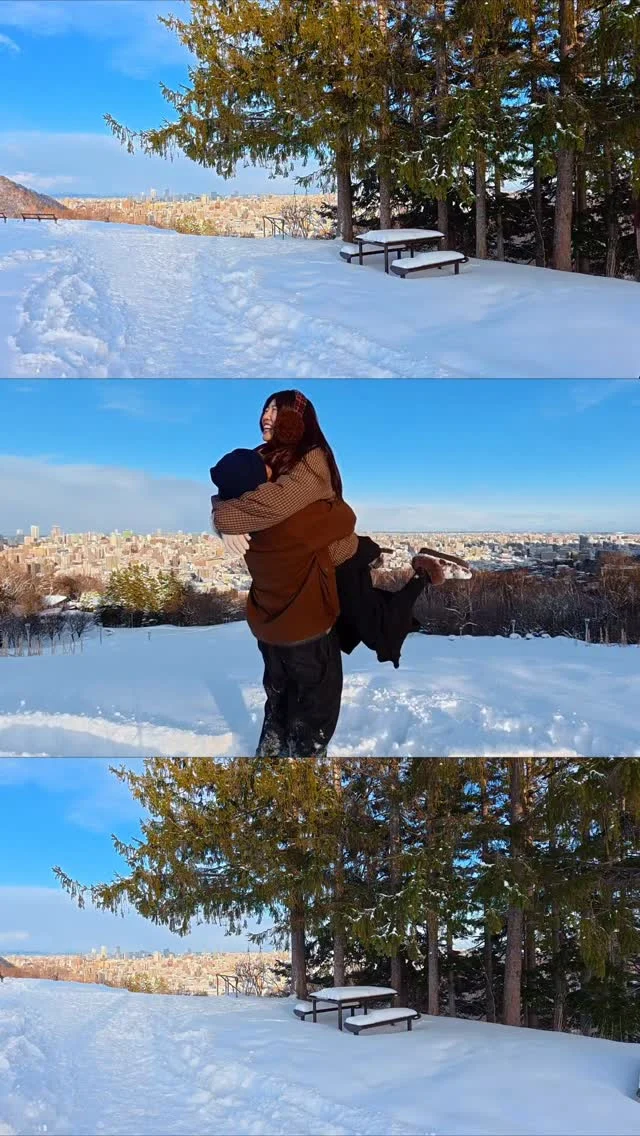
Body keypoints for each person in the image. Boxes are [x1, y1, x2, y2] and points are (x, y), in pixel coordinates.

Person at [211, 389, 471, 672]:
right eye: (265, 409)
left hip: (336, 559)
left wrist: (224, 519)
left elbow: (273, 505)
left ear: (296, 419)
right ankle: (377, 556)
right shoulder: (262, 455)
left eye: (276, 410)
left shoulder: (312, 458)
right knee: (357, 620)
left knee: (375, 628)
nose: (266, 416)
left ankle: (424, 571)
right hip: (309, 565)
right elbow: (229, 484)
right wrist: (220, 512)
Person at [211, 446, 356, 757]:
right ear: (261, 481)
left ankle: (270, 759)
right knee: (318, 709)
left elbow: (226, 501)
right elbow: (345, 517)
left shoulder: (241, 527)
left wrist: (220, 512)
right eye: (265, 468)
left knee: (278, 702)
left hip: (269, 632)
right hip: (308, 632)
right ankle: (304, 767)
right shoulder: (295, 522)